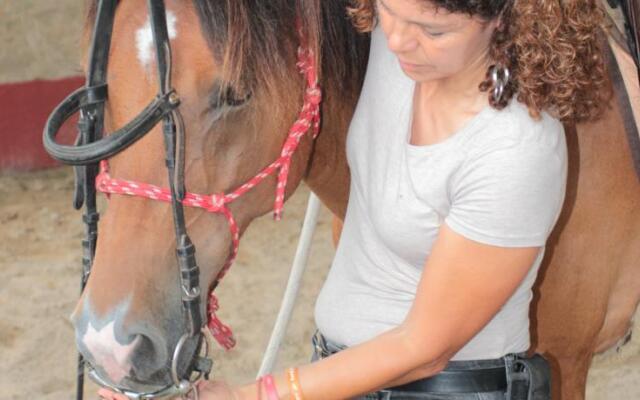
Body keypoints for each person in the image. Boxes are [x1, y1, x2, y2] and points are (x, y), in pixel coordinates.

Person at [99, 0, 607, 399]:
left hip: (447, 388)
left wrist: (259, 394)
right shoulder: (400, 51)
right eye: (390, 11)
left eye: (433, 31)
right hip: (345, 374)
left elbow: (424, 347)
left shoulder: (514, 148)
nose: (400, 41)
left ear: (502, 18)